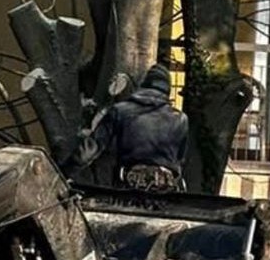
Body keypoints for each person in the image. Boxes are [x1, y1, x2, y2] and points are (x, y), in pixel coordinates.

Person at [68, 63, 190, 192]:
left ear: (143, 86)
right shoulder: (180, 119)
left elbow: (91, 148)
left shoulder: (120, 111)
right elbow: (180, 159)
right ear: (167, 91)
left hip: (129, 183)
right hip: (165, 187)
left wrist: (65, 171)